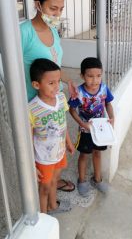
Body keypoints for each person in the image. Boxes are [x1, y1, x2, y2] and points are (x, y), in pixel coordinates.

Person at [20, 0, 75, 191]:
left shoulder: (53, 30)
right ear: (38, 5)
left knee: (55, 141)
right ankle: (42, 189)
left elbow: (55, 65)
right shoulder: (23, 32)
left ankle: (53, 179)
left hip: (54, 99)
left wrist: (67, 81)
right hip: (34, 104)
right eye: (53, 8)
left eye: (61, 9)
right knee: (39, 148)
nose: (58, 14)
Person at [29, 58, 75, 213]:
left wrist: (68, 142)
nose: (57, 86)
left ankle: (53, 206)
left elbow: (63, 124)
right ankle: (43, 217)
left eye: (58, 81)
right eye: (51, 83)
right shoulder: (32, 109)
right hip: (43, 159)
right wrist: (31, 165)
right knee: (44, 189)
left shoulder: (61, 98)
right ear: (36, 85)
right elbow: (28, 139)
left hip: (59, 152)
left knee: (55, 180)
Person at [68, 57, 115, 196]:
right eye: (90, 76)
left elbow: (108, 104)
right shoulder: (79, 93)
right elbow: (72, 110)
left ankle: (97, 179)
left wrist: (112, 118)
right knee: (84, 155)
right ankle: (82, 180)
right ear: (82, 75)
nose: (95, 80)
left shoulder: (104, 88)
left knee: (97, 153)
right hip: (85, 131)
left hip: (101, 130)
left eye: (98, 76)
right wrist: (82, 124)